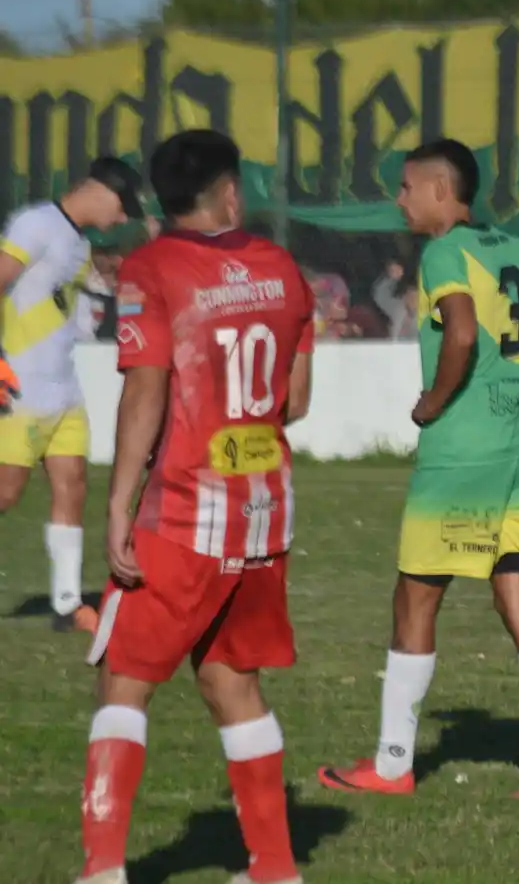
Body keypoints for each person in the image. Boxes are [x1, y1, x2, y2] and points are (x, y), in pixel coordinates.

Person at [76, 130, 315, 884]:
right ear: (231, 192)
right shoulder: (280, 267)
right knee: (230, 681)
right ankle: (274, 868)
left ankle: (102, 870)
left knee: (124, 679)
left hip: (184, 512)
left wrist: (119, 503)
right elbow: (296, 401)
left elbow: (145, 390)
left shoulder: (151, 268)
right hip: (265, 511)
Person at [318, 139, 519, 800]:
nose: (399, 200)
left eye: (407, 187)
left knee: (415, 599)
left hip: (464, 451)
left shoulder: (442, 253)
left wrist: (432, 403)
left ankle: (392, 764)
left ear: (442, 190)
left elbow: (460, 332)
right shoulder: (511, 247)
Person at [0, 156, 144, 634]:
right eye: (122, 208)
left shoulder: (80, 245)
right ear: (102, 190)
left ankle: (67, 604)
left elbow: (64, 310)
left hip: (63, 388)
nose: (120, 219)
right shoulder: (35, 223)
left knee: (73, 484)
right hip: (18, 388)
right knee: (6, 492)